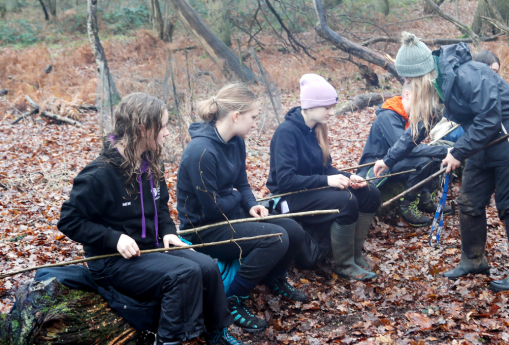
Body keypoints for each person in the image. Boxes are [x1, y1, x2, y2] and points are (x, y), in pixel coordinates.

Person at [57, 93, 242, 345]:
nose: (166, 133)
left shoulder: (150, 162)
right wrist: (114, 238)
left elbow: (161, 205)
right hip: (113, 261)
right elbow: (69, 221)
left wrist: (167, 230)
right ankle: (167, 340)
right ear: (142, 129)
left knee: (207, 266)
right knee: (184, 273)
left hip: (152, 249)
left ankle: (216, 333)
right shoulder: (98, 174)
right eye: (163, 126)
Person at [373, 32, 509, 291]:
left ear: (422, 73)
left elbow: (490, 118)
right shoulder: (436, 85)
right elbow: (421, 127)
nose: (408, 83)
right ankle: (474, 259)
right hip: (482, 145)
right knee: (468, 202)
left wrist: (457, 152)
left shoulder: (468, 74)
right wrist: (388, 160)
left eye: (410, 78)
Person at [177, 84, 306, 333]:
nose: (255, 123)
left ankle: (274, 277)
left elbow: (241, 182)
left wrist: (251, 204)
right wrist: (237, 198)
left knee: (294, 229)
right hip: (205, 229)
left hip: (231, 217)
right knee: (275, 238)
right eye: (253, 117)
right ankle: (233, 299)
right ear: (236, 116)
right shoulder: (200, 152)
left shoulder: (236, 141)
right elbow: (213, 210)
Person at [267, 73, 381, 281]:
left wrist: (349, 177)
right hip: (290, 197)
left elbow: (325, 168)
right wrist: (327, 181)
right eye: (327, 107)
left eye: (332, 106)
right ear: (310, 106)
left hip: (313, 190)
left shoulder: (317, 129)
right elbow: (285, 181)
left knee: (370, 192)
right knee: (345, 201)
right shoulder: (286, 132)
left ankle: (355, 255)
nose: (332, 112)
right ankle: (344, 265)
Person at [356, 82, 450, 227]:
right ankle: (407, 207)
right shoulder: (389, 115)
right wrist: (444, 151)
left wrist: (439, 152)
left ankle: (425, 200)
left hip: (393, 163)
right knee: (425, 160)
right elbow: (407, 149)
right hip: (377, 168)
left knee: (434, 157)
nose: (425, 103)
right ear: (407, 95)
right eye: (422, 98)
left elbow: (409, 147)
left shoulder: (404, 115)